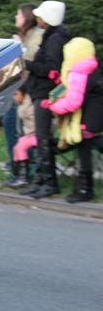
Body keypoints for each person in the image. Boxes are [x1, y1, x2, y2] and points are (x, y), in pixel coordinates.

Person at [41, 37, 102, 203]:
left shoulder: (79, 72)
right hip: (96, 119)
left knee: (83, 151)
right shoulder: (92, 68)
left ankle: (84, 189)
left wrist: (52, 106)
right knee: (88, 149)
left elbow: (74, 101)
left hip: (87, 122)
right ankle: (84, 186)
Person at [23, 0, 71, 198]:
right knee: (41, 137)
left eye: (41, 16)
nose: (37, 18)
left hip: (45, 93)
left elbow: (51, 70)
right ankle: (41, 179)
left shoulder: (54, 40)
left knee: (43, 138)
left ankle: (49, 183)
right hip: (40, 91)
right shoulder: (52, 36)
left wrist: (27, 64)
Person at [4, 3, 44, 186]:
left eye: (18, 14)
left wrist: (19, 49)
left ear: (26, 17)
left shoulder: (36, 38)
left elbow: (31, 66)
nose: (15, 18)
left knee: (21, 131)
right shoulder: (26, 36)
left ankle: (23, 172)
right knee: (14, 129)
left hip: (25, 92)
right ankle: (19, 170)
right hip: (19, 91)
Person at [8, 88, 38, 188]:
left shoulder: (29, 106)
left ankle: (23, 177)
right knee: (17, 148)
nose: (14, 97)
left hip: (37, 134)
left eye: (16, 94)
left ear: (23, 94)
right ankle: (19, 175)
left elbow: (36, 120)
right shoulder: (23, 104)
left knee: (20, 147)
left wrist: (33, 132)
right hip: (30, 134)